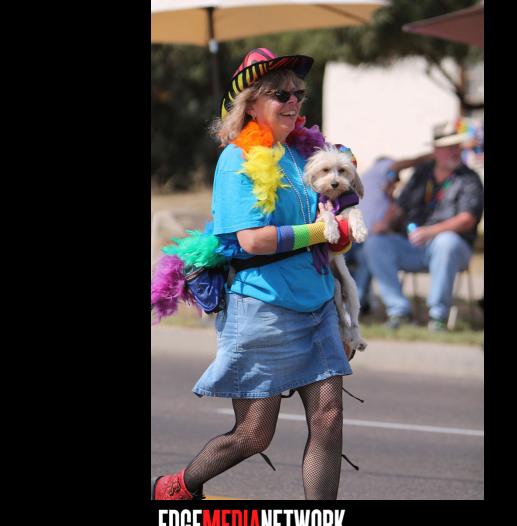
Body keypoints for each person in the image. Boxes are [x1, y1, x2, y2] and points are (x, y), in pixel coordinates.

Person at [151, 47, 356, 501]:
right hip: (262, 305)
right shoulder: (236, 160)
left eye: (298, 94)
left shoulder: (305, 154)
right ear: (251, 103)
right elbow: (252, 240)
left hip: (318, 301)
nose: (293, 101)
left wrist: (341, 235)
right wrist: (319, 231)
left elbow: (332, 219)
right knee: (253, 434)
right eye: (280, 94)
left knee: (329, 418)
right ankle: (177, 488)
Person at [363, 121, 484, 331]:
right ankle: (399, 311)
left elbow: (467, 220)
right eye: (449, 147)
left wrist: (430, 232)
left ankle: (438, 317)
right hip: (413, 245)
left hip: (451, 248)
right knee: (375, 243)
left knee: (446, 242)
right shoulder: (422, 174)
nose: (455, 151)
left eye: (457, 146)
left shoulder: (469, 179)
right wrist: (384, 223)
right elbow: (401, 206)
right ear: (435, 151)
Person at [345, 153, 432, 314]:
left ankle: (357, 305)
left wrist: (390, 197)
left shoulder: (382, 193)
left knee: (369, 255)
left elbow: (390, 223)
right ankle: (354, 305)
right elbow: (396, 165)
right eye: (394, 176)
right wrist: (423, 159)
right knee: (367, 255)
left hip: (362, 239)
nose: (396, 180)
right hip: (357, 239)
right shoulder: (378, 170)